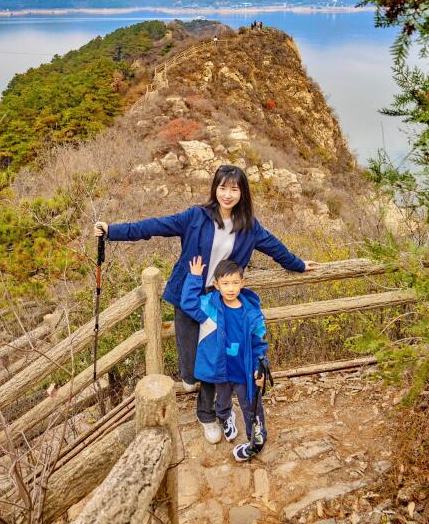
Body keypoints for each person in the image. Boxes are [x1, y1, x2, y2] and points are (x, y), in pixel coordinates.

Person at [94, 164, 317, 444]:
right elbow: (153, 226)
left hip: (219, 301)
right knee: (189, 367)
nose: (227, 194)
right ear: (215, 188)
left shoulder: (249, 227)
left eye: (234, 189)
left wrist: (298, 265)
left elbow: (275, 248)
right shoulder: (195, 217)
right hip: (187, 295)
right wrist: (112, 231)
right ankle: (191, 379)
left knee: (215, 360)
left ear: (242, 193)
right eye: (223, 187)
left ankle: (207, 415)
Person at [181, 256, 268, 461]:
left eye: (235, 283)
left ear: (242, 283)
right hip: (220, 368)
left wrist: (260, 367)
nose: (230, 288)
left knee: (251, 406)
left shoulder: (251, 312)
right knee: (221, 399)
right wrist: (195, 278)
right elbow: (188, 303)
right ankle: (225, 416)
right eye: (225, 283)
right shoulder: (209, 306)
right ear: (216, 284)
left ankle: (256, 442)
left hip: (244, 370)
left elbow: (259, 342)